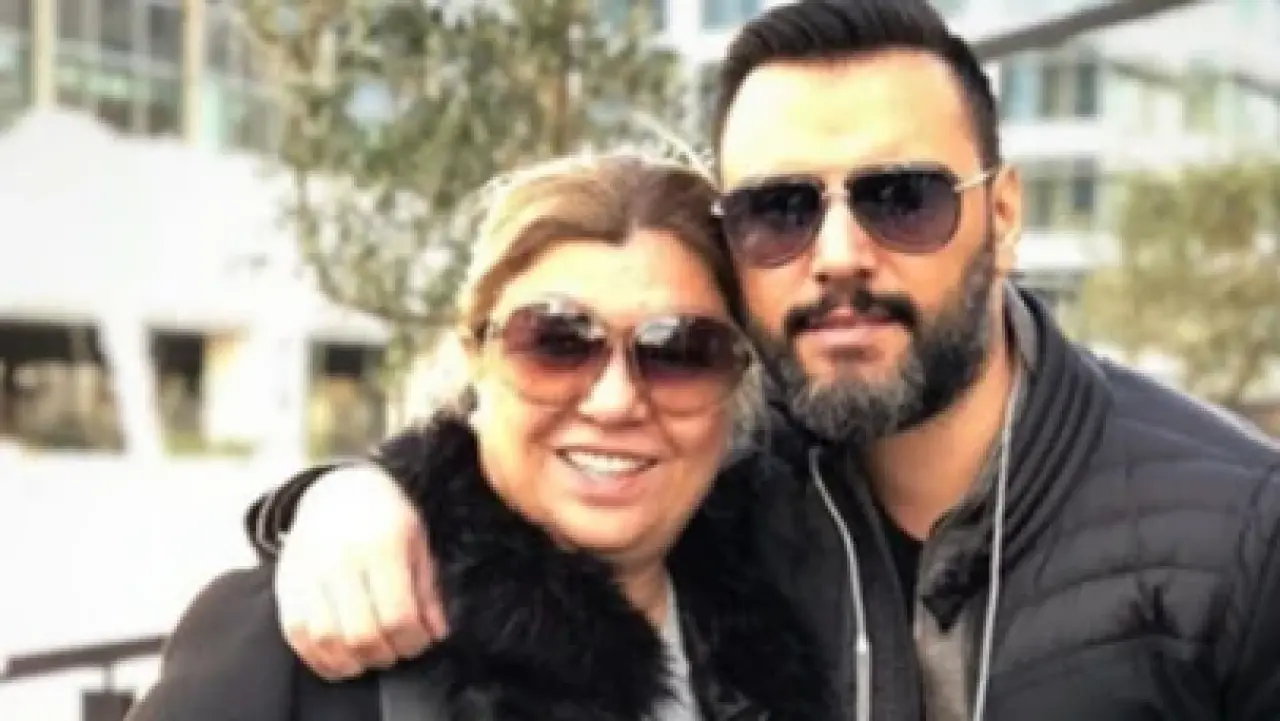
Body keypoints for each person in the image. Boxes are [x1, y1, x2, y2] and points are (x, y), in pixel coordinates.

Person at [241, 1, 1280, 720]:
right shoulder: (728, 483)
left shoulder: (1240, 531)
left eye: (900, 198)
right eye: (780, 209)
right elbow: (522, 475)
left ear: (1001, 216)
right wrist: (342, 498)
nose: (838, 254)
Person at [128, 154, 836, 721]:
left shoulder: (808, 600)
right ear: (476, 356)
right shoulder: (302, 638)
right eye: (557, 341)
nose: (616, 400)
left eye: (679, 351)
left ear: (738, 381)